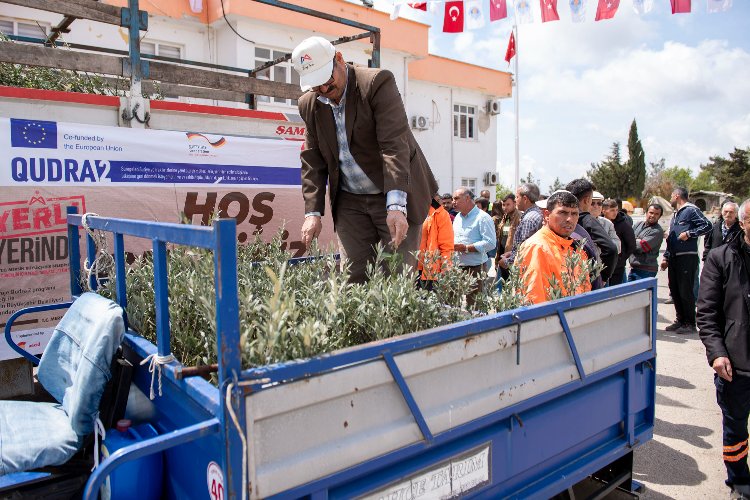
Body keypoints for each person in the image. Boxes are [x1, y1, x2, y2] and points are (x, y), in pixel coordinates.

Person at [292, 36, 438, 283]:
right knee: (353, 277)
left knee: (395, 279)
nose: (325, 92)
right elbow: (313, 160)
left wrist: (395, 207)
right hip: (349, 199)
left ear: (338, 59)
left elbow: (394, 145)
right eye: (317, 87)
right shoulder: (309, 104)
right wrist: (313, 213)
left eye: (328, 83)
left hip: (392, 191)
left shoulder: (377, 83)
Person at [696, 198, 750, 499]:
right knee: (735, 429)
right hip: (736, 363)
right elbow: (706, 312)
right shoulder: (720, 258)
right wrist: (717, 353)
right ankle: (740, 484)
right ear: (742, 223)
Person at [517, 191, 591, 305]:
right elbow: (533, 298)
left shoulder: (575, 248)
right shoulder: (537, 247)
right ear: (546, 215)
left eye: (574, 214)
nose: (569, 219)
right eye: (563, 213)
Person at [660, 187, 712, 334]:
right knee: (675, 290)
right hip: (674, 257)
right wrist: (666, 257)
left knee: (685, 291)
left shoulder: (691, 210)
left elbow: (707, 226)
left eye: (671, 195)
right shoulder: (676, 214)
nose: (670, 198)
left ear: (677, 196)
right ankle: (680, 320)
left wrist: (689, 233)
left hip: (687, 257)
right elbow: (671, 238)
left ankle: (690, 323)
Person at [565, 179, 618, 283]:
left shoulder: (561, 219)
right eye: (592, 201)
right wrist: (603, 277)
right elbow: (611, 249)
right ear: (586, 200)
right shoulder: (588, 221)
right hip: (586, 280)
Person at [452, 188, 496, 307]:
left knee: (474, 307)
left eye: (456, 198)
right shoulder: (457, 217)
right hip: (457, 267)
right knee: (452, 304)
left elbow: (491, 243)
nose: (453, 202)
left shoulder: (483, 217)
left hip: (475, 269)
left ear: (467, 198)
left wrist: (466, 248)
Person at [497, 183, 544, 270]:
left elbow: (524, 251)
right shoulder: (537, 213)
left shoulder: (529, 219)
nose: (515, 200)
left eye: (517, 197)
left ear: (525, 199)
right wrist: (512, 253)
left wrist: (507, 262)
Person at [417, 194, 454, 289]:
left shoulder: (440, 213)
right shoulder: (403, 207)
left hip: (429, 272)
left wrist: (446, 269)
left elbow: (446, 245)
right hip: (407, 268)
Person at [602, 199, 636, 286]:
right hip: (602, 266)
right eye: (612, 210)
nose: (615, 213)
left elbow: (631, 245)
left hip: (617, 268)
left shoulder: (623, 224)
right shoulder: (599, 222)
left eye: (616, 210)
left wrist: (621, 259)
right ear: (604, 210)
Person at [629, 204, 665, 281]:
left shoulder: (657, 231)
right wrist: (637, 240)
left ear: (660, 216)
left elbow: (640, 247)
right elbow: (627, 239)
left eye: (656, 214)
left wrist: (633, 240)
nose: (653, 215)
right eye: (651, 212)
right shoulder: (638, 224)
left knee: (640, 293)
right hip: (634, 268)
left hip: (646, 271)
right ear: (646, 213)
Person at [493, 194, 521, 283]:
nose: (505, 207)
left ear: (514, 203)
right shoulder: (505, 217)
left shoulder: (519, 217)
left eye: (508, 204)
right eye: (503, 205)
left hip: (511, 257)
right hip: (502, 254)